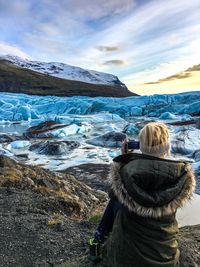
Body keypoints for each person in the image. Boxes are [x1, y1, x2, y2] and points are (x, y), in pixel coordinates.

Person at [89, 122, 196, 267]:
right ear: (167, 146)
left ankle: (98, 239)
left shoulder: (126, 172)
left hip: (126, 260)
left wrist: (123, 160)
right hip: (166, 259)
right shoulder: (180, 175)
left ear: (140, 145)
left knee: (116, 199)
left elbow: (113, 194)